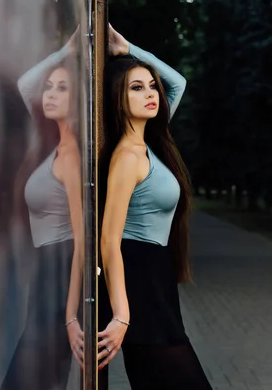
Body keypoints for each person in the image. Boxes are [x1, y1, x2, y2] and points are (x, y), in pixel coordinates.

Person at [97, 25, 212, 390]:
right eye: (136, 87)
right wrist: (122, 315)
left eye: (150, 86)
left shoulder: (150, 145)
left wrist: (127, 46)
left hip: (156, 282)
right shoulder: (128, 157)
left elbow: (175, 83)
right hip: (140, 287)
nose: (151, 93)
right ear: (117, 98)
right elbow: (109, 240)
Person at [1, 29, 84, 390]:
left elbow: (84, 239)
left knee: (31, 378)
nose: (49, 93)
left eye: (62, 88)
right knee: (43, 378)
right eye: (49, 87)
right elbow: (25, 85)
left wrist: (70, 314)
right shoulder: (55, 148)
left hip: (60, 274)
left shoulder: (72, 158)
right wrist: (65, 51)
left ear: (78, 98)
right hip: (46, 274)